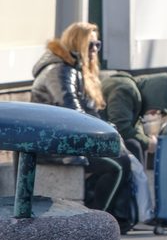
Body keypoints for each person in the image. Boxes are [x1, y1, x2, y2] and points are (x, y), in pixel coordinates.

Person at [30, 22, 133, 223]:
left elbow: (91, 112)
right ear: (77, 44)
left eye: (98, 45)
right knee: (118, 166)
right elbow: (72, 112)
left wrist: (109, 132)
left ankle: (119, 218)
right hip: (54, 145)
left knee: (127, 151)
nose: (95, 50)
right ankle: (96, 220)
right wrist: (105, 133)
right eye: (91, 45)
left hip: (68, 140)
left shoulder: (75, 69)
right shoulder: (60, 70)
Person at [101, 71, 167, 161]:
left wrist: (145, 140)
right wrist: (147, 143)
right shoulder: (126, 90)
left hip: (101, 134)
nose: (153, 114)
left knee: (137, 143)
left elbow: (134, 124)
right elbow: (120, 127)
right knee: (134, 145)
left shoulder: (132, 90)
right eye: (157, 109)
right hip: (96, 139)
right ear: (153, 95)